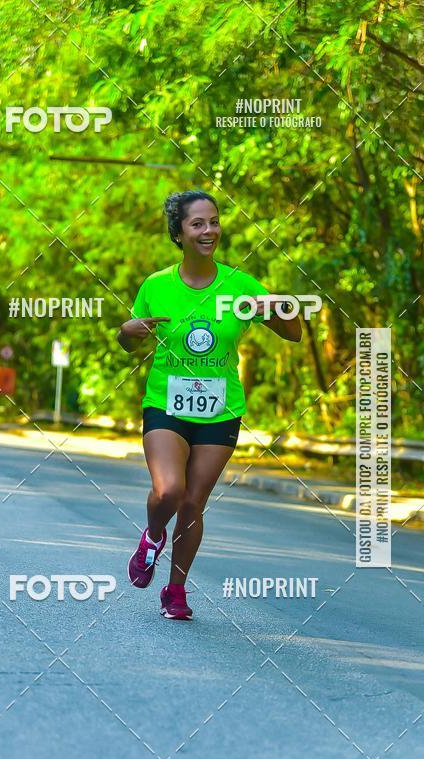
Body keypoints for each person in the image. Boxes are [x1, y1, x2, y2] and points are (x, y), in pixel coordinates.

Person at [117, 190, 301, 620]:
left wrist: (270, 309)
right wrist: (127, 331)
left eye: (213, 221)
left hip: (220, 411)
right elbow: (128, 343)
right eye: (197, 223)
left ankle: (176, 592)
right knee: (169, 491)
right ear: (178, 232)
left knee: (193, 504)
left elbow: (292, 332)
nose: (209, 230)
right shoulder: (156, 286)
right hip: (166, 404)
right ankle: (153, 535)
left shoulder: (239, 284)